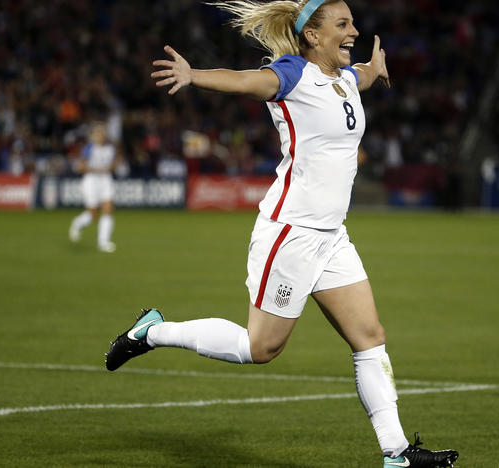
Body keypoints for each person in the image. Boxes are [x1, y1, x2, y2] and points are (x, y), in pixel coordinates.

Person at [105, 1, 459, 466]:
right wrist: (195, 76)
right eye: (342, 24)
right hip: (290, 233)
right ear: (312, 36)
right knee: (261, 348)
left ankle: (397, 455)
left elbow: (364, 78)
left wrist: (375, 68)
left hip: (332, 236)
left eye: (352, 22)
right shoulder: (293, 74)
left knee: (370, 336)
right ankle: (152, 332)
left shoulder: (347, 78)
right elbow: (249, 81)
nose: (353, 30)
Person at [68, 122, 117, 253]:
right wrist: (97, 169)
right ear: (94, 136)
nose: (100, 135)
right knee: (93, 215)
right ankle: (77, 223)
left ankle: (103, 242)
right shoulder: (89, 148)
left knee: (108, 209)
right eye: (98, 133)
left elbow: (115, 164)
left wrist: (110, 168)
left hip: (105, 180)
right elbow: (80, 167)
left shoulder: (111, 148)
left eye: (102, 133)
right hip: (91, 181)